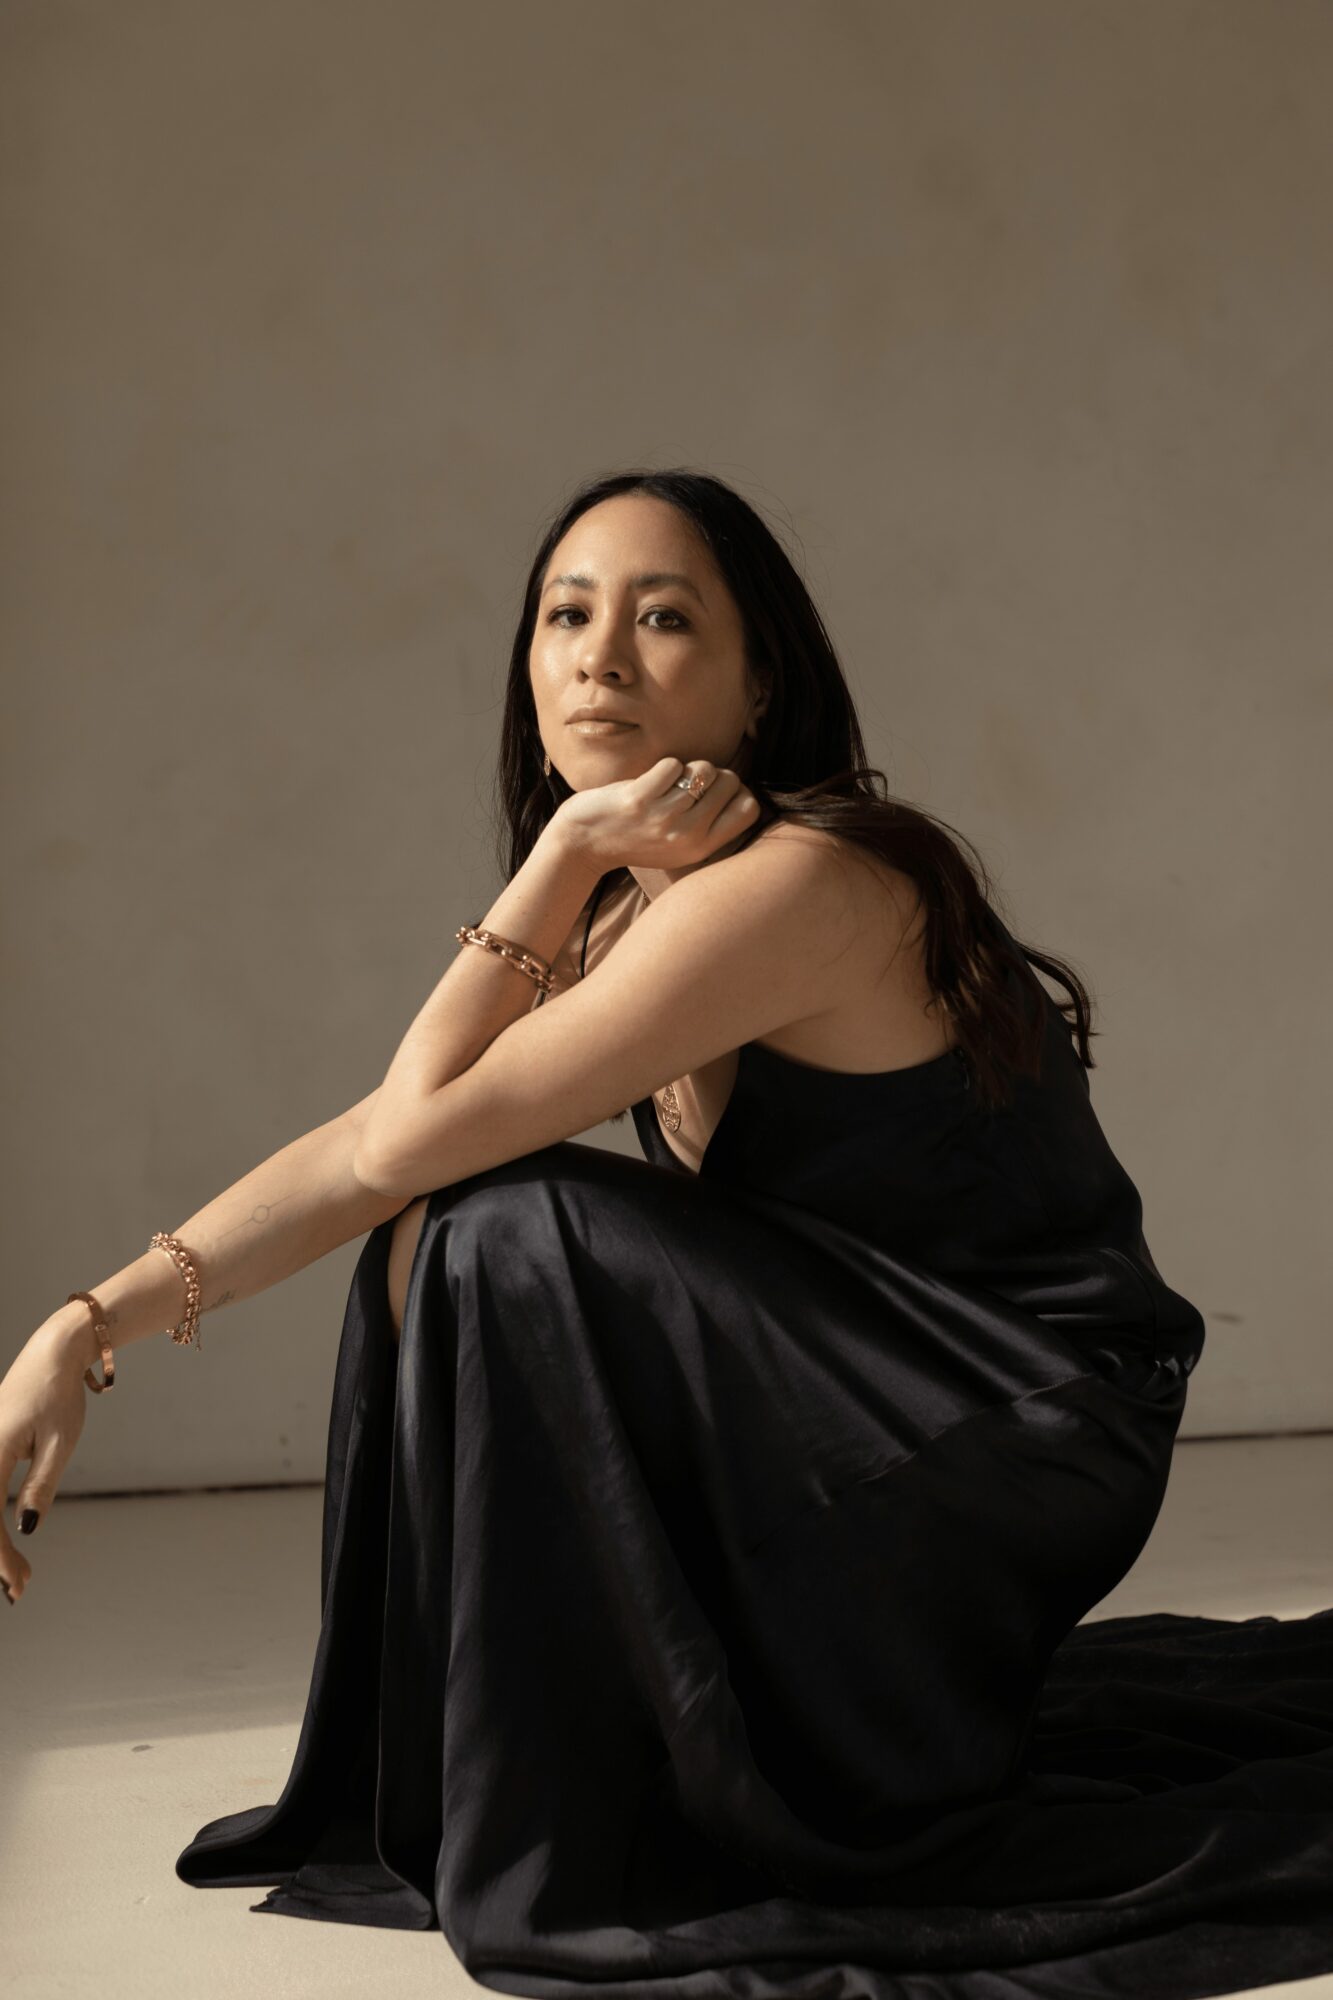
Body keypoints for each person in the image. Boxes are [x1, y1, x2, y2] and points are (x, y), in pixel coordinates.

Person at [4, 469, 1332, 1998]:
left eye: (664, 618)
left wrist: (557, 856)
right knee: (456, 1222)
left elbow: (407, 1140)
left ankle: (577, 1783)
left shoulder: (797, 883)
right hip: (879, 1410)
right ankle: (572, 1750)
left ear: (758, 683)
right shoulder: (642, 911)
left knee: (504, 1229)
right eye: (566, 616)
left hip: (1020, 1434)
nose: (600, 659)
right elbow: (369, 1153)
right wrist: (84, 1328)